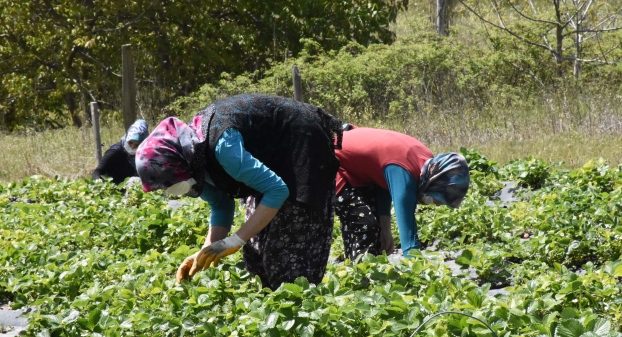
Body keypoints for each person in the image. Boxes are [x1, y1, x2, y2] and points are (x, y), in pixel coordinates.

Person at [135, 94, 342, 290]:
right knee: (255, 252)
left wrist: (234, 241)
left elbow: (277, 190)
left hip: (301, 143)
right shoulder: (192, 162)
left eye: (169, 181)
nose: (170, 188)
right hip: (270, 159)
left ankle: (299, 311)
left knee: (288, 254)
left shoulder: (221, 148)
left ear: (175, 163)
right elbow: (221, 203)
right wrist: (203, 254)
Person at [334, 125, 469, 260]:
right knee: (366, 224)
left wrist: (385, 229)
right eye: (439, 199)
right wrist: (415, 270)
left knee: (377, 230)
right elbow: (408, 238)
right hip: (331, 160)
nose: (438, 205)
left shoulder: (426, 164)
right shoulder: (405, 173)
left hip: (357, 167)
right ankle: (358, 273)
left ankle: (366, 271)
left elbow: (383, 183)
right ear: (434, 184)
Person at [92, 119, 149, 185]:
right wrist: (99, 181)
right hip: (115, 190)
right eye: (130, 143)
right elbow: (97, 171)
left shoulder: (143, 154)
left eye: (137, 145)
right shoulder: (115, 151)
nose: (132, 147)